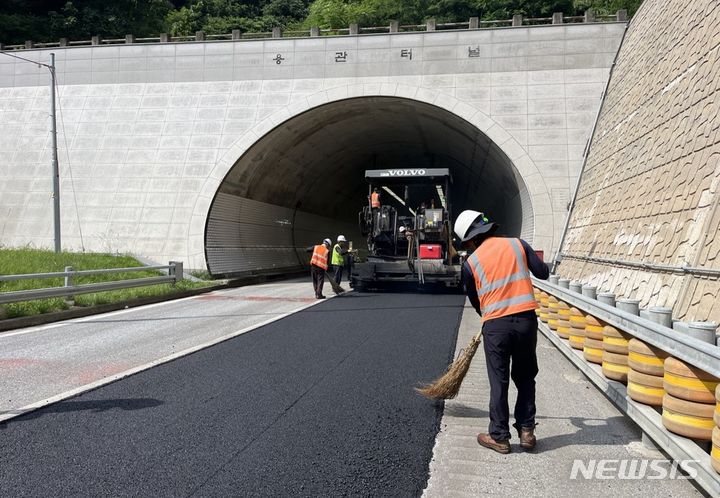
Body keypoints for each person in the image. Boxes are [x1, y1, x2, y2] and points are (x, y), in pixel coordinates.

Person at [454, 210, 549, 454]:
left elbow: (476, 301)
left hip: (496, 325)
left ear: (469, 240)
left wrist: (488, 317)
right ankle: (527, 431)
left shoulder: (470, 264)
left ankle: (499, 436)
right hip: (526, 320)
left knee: (499, 380)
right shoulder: (518, 245)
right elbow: (543, 272)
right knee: (526, 376)